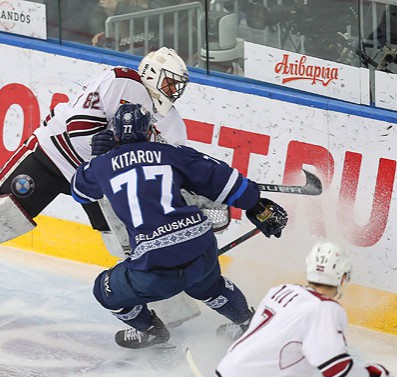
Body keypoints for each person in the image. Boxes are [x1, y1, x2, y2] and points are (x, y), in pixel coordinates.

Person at [0, 47, 191, 261]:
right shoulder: (122, 81)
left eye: (178, 87)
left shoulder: (172, 122)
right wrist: (115, 154)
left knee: (129, 243)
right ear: (151, 72)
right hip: (53, 157)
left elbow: (173, 167)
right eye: (169, 82)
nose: (173, 91)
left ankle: (155, 299)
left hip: (100, 185)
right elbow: (79, 129)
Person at [70, 103, 289, 349]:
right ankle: (248, 323)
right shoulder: (171, 153)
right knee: (208, 285)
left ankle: (152, 331)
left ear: (116, 134)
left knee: (105, 290)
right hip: (199, 244)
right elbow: (223, 180)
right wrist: (256, 205)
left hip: (154, 264)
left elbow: (79, 191)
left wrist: (97, 158)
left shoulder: (101, 166)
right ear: (149, 130)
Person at [213, 241, 397, 377]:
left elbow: (267, 345)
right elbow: (338, 374)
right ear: (343, 277)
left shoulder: (282, 290)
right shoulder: (325, 309)